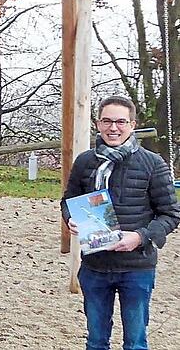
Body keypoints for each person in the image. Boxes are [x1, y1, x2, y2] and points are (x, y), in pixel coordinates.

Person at [62, 95, 180, 350]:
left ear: (132, 125)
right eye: (107, 121)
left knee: (135, 341)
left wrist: (140, 237)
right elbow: (69, 199)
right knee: (95, 340)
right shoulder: (85, 162)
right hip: (95, 265)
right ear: (97, 123)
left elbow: (170, 214)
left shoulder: (153, 163)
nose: (113, 128)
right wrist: (70, 218)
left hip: (136, 267)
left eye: (120, 122)